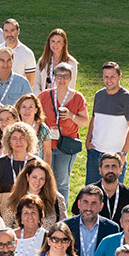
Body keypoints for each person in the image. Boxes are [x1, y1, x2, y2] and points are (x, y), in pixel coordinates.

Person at [36, 63, 89, 201]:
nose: (62, 79)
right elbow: (36, 116)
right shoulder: (44, 96)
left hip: (65, 146)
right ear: (54, 77)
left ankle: (62, 215)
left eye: (65, 76)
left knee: (62, 183)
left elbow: (85, 122)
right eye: (59, 76)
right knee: (44, 180)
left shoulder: (77, 98)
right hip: (46, 145)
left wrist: (72, 116)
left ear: (71, 78)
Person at [85, 62, 129, 185]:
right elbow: (94, 119)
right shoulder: (98, 95)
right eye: (106, 76)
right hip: (94, 154)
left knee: (113, 194)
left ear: (119, 76)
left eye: (112, 76)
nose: (108, 80)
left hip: (115, 156)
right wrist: (88, 142)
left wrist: (123, 154)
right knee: (90, 194)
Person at [0, 121, 41, 196]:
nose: (18, 142)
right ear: (9, 142)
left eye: (22, 138)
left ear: (28, 140)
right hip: (5, 205)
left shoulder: (37, 163)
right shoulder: (0, 163)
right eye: (14, 138)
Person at [0, 19, 38, 86]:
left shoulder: (27, 53)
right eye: (6, 31)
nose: (9, 34)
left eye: (12, 30)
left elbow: (30, 82)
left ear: (18, 31)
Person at [93, 153, 129, 225]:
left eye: (114, 166)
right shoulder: (89, 193)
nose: (110, 170)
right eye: (107, 166)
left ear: (120, 169)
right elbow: (76, 217)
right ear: (100, 170)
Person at [15, 92, 53, 167]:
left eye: (30, 107)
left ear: (36, 110)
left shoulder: (43, 129)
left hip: (36, 168)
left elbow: (47, 153)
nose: (27, 110)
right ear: (19, 110)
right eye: (24, 107)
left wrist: (45, 170)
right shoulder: (14, 127)